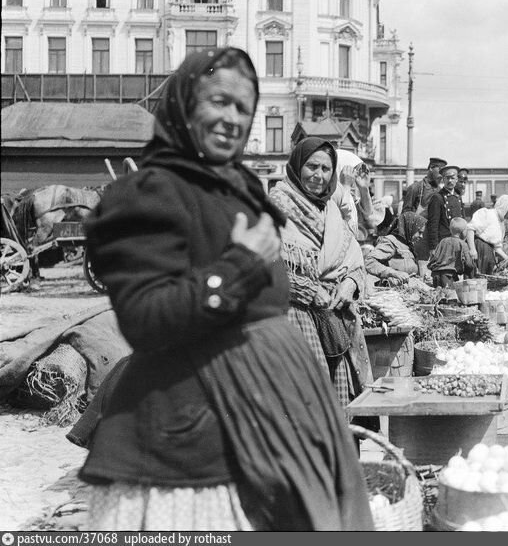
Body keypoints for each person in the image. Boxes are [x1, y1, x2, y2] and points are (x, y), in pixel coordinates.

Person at [79, 48, 373, 531]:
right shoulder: (146, 193)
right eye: (218, 101)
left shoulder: (241, 192)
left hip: (275, 405)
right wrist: (237, 265)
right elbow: (146, 322)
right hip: (194, 420)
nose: (231, 117)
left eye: (243, 107)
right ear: (183, 106)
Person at [268, 137, 376, 427]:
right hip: (293, 315)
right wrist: (308, 288)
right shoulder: (275, 205)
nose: (319, 175)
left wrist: (350, 284)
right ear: (296, 167)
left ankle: (337, 462)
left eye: (326, 169)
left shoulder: (330, 210)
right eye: (311, 166)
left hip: (331, 316)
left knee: (340, 391)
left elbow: (354, 257)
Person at [365, 211, 426, 286]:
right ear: (410, 228)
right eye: (419, 232)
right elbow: (369, 262)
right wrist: (394, 273)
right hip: (390, 293)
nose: (421, 236)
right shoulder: (391, 242)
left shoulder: (409, 246)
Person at [465, 194, 508, 274]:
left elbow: (497, 247)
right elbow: (470, 229)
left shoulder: (501, 224)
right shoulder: (487, 214)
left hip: (489, 253)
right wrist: (472, 249)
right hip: (479, 248)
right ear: (504, 208)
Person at [428, 217, 476, 288]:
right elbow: (468, 264)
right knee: (450, 296)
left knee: (439, 295)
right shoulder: (462, 244)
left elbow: (434, 257)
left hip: (436, 274)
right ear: (462, 232)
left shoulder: (443, 241)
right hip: (449, 276)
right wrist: (471, 271)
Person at [425, 165, 461, 254]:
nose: (450, 181)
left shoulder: (458, 197)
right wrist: (433, 247)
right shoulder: (437, 197)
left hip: (458, 241)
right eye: (447, 178)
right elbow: (433, 224)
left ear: (456, 179)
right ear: (443, 180)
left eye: (452, 178)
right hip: (443, 243)